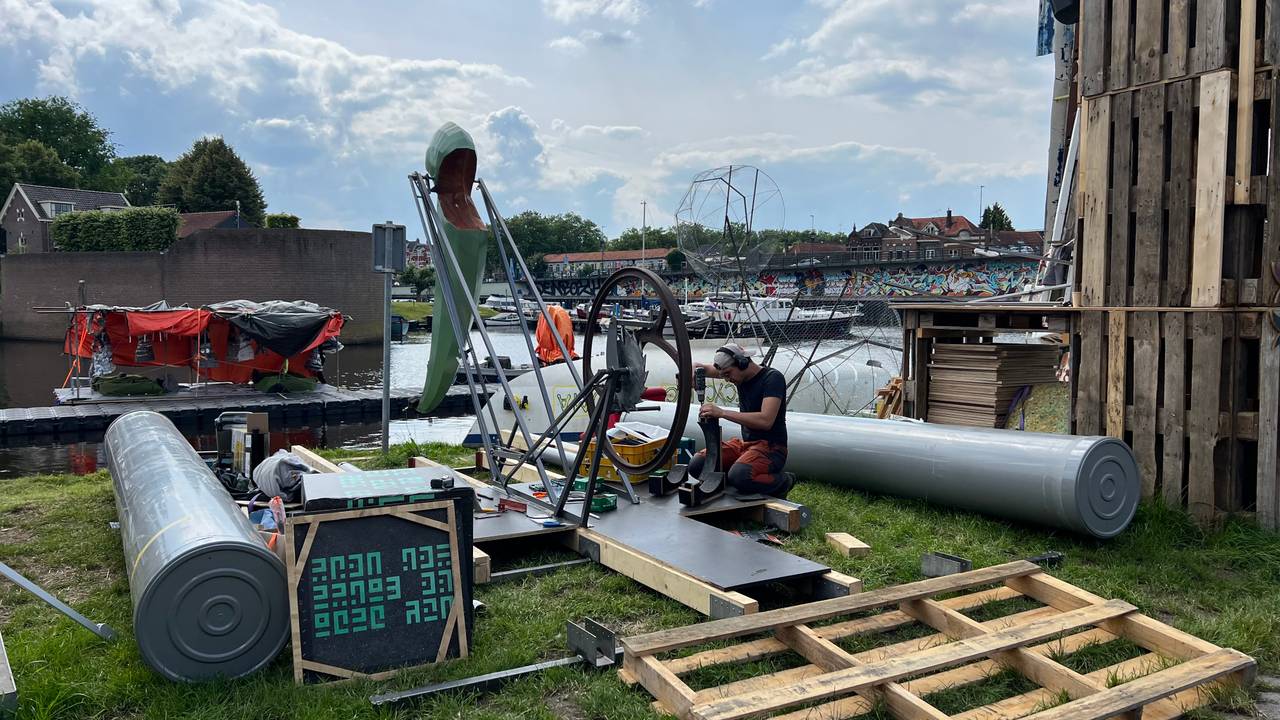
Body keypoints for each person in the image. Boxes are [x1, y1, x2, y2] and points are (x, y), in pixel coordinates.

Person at [689, 343, 794, 498]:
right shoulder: (737, 373)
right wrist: (692, 370)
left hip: (772, 448)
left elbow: (766, 421)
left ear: (742, 363)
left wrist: (723, 413)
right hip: (746, 445)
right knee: (698, 465)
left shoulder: (772, 378)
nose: (726, 379)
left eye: (728, 374)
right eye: (723, 375)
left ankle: (785, 481)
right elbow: (700, 367)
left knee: (740, 477)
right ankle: (738, 474)